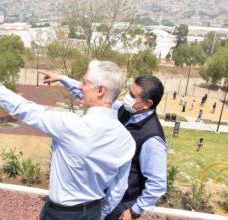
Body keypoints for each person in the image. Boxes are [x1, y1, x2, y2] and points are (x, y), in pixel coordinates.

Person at [0, 59, 135, 220]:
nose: (81, 87)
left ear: (100, 90)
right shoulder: (126, 139)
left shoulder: (70, 126)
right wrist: (99, 214)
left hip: (61, 214)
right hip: (93, 211)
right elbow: (118, 189)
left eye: (84, 83)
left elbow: (23, 108)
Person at [41, 71, 167, 220]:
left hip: (122, 204)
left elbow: (157, 183)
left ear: (147, 103)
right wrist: (63, 79)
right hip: (103, 194)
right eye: (129, 92)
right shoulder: (125, 111)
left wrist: (134, 211)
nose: (127, 98)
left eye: (133, 96)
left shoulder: (152, 138)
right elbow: (95, 96)